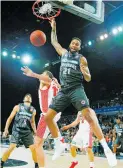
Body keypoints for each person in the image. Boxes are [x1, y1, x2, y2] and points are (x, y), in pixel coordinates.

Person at [21, 18, 117, 167]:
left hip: (76, 89)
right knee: (48, 117)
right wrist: (53, 27)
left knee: (89, 116)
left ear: (79, 47)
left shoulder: (81, 59)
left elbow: (89, 78)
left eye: (77, 44)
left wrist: (85, 72)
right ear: (70, 45)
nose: (74, 45)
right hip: (64, 90)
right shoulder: (64, 53)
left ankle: (106, 149)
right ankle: (59, 143)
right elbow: (54, 42)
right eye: (73, 43)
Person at [22, 70, 62, 168]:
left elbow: (46, 79)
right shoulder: (54, 85)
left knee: (37, 144)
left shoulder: (49, 83)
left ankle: (60, 142)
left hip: (47, 114)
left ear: (48, 77)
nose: (41, 77)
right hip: (54, 113)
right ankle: (60, 140)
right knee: (39, 143)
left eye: (43, 75)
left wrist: (33, 74)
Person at [1, 94, 38, 168]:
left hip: (27, 131)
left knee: (33, 148)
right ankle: (2, 162)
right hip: (17, 130)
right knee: (12, 147)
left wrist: (35, 131)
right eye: (26, 96)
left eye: (30, 97)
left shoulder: (33, 110)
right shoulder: (17, 107)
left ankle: (36, 165)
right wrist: (6, 129)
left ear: (31, 100)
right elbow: (10, 118)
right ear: (23, 99)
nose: (28, 97)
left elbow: (32, 122)